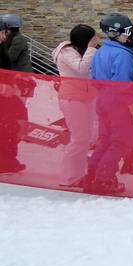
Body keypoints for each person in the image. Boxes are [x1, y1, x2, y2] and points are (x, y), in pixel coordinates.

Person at [85, 13, 133, 194]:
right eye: (126, 32)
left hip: (102, 100)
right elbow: (124, 86)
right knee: (120, 143)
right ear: (115, 32)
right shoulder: (123, 55)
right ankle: (104, 179)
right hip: (119, 104)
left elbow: (94, 78)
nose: (128, 35)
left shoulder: (100, 52)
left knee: (106, 140)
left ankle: (92, 175)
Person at [52, 24, 99, 187]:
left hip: (86, 96)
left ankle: (77, 173)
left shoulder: (81, 51)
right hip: (73, 98)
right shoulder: (67, 52)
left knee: (85, 138)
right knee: (79, 138)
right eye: (93, 38)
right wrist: (91, 49)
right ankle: (69, 177)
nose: (96, 40)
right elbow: (81, 68)